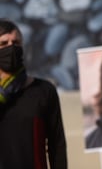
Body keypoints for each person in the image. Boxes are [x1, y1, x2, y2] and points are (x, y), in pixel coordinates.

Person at [0, 18, 67, 169]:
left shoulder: (43, 90)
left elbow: (57, 145)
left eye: (16, 43)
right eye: (3, 44)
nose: (11, 48)